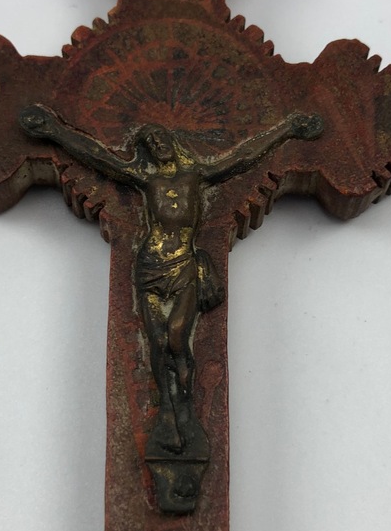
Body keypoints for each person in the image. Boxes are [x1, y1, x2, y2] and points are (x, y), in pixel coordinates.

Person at [19, 105, 322, 458]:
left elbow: (243, 156)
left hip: (184, 266)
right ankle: (168, 413)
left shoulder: (197, 174)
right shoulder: (146, 179)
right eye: (149, 143)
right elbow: (98, 157)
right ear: (145, 151)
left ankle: (185, 411)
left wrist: (287, 130)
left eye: (160, 138)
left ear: (172, 142)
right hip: (150, 266)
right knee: (158, 343)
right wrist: (55, 131)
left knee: (179, 339)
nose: (157, 145)